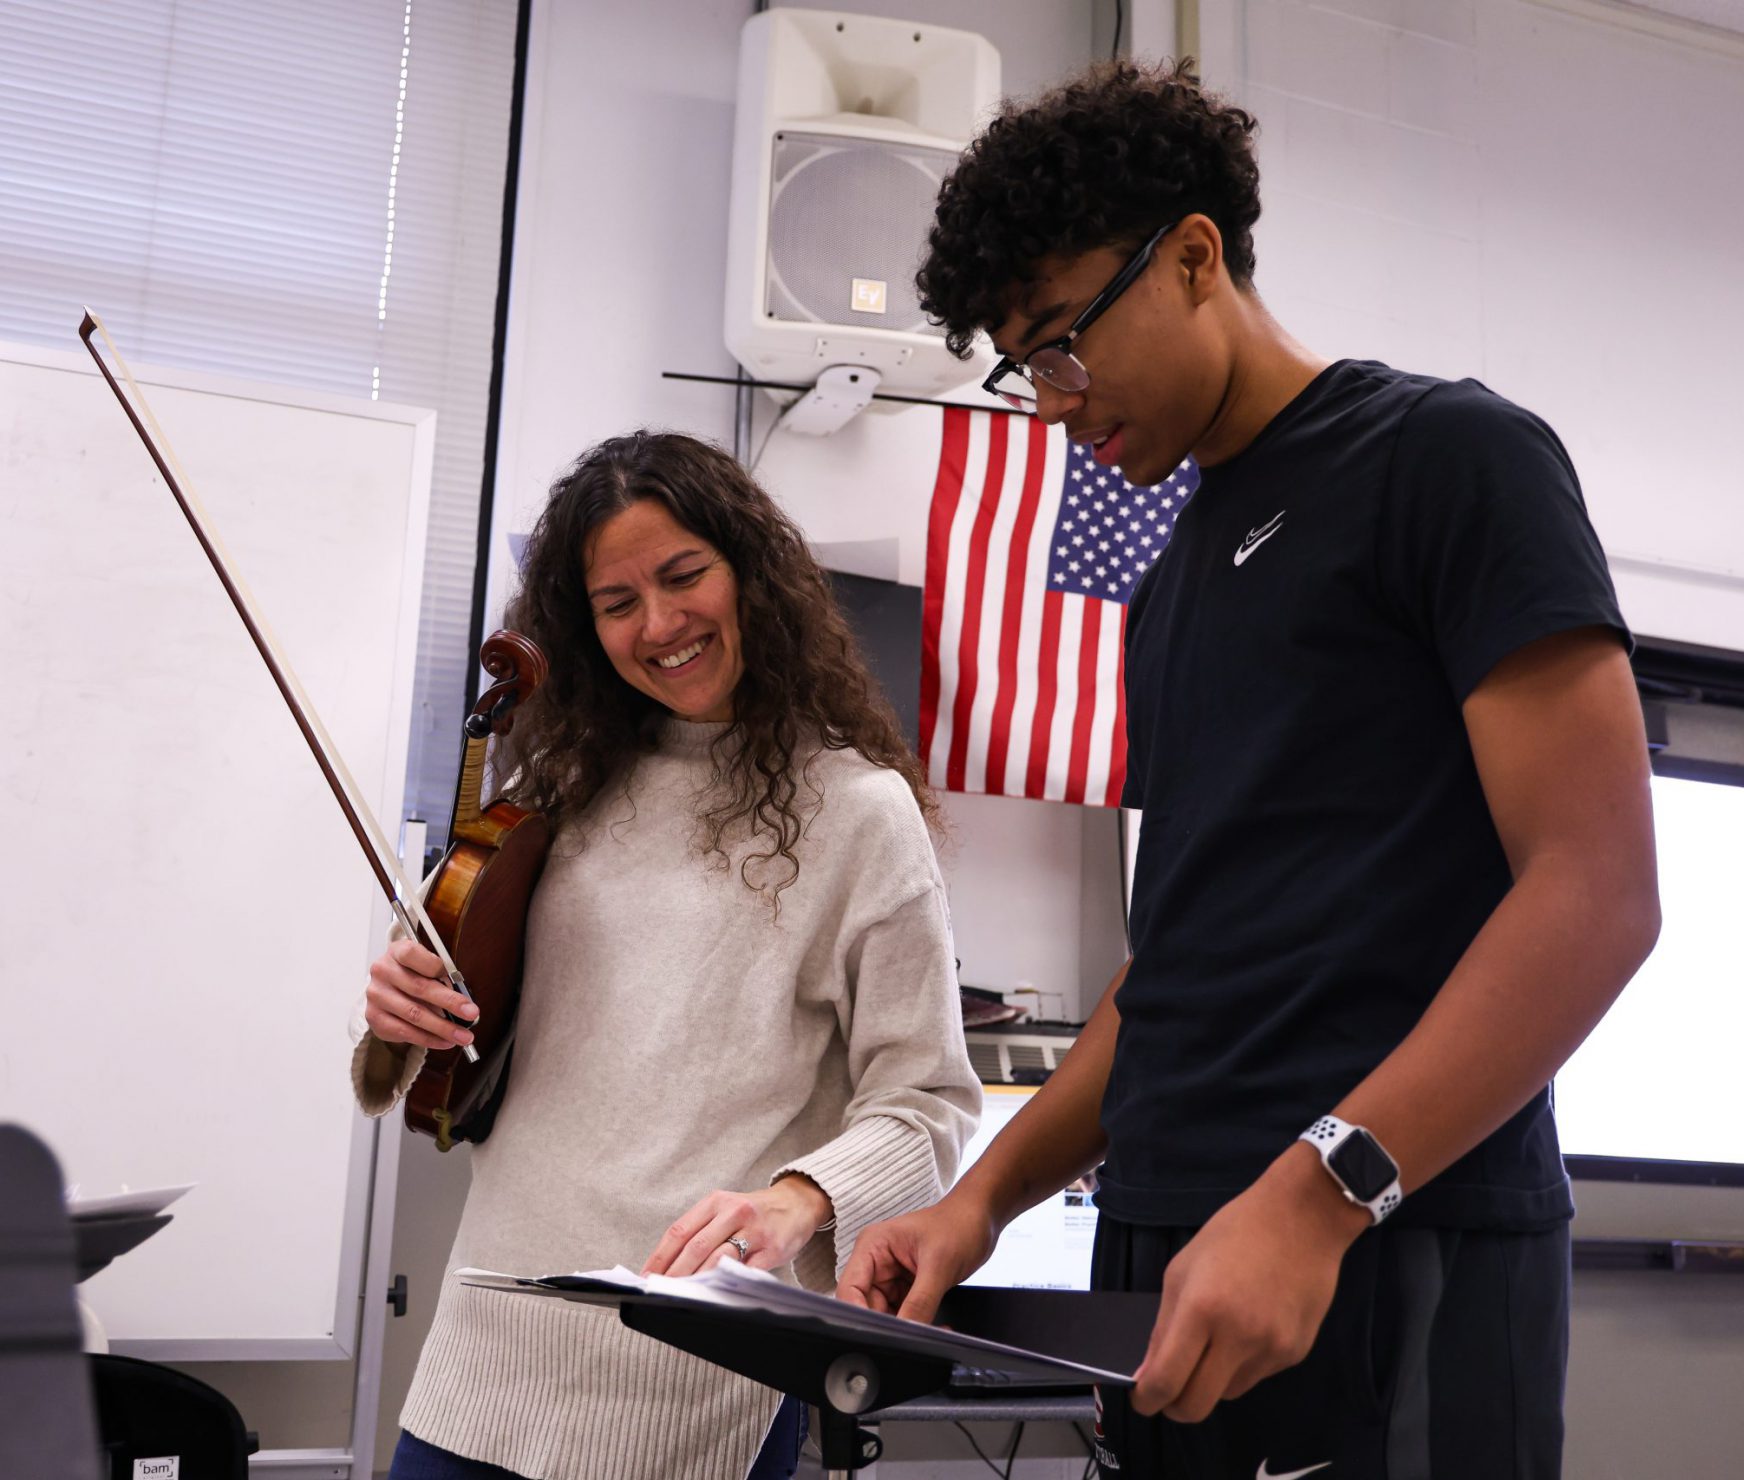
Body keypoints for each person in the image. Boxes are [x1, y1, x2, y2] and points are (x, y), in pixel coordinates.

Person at [838, 59, 1659, 1480]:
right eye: (1024, 369)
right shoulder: (1170, 584)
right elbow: (1174, 964)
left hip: (1387, 1236)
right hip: (1168, 1246)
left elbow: (1597, 894)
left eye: (1062, 344)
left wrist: (1319, 1198)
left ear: (1194, 257)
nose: (1053, 406)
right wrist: (982, 1202)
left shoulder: (1446, 459)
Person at [350, 431, 980, 1480]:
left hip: (691, 1382)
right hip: (485, 1350)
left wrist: (796, 1199)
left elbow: (928, 1104)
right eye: (617, 602)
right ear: (582, 624)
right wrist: (395, 1014)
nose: (659, 624)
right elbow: (431, 1061)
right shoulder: (555, 785)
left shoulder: (861, 812)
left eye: (685, 576)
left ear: (752, 572)